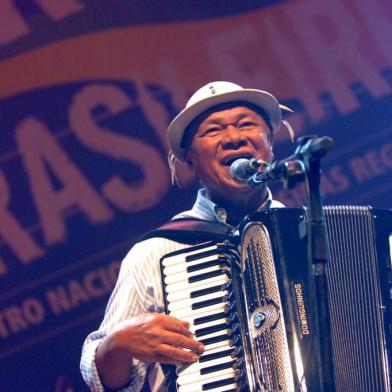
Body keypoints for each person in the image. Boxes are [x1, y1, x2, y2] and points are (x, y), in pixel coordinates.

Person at [80, 81, 293, 391]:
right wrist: (117, 344)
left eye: (246, 124)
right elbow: (102, 381)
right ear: (189, 159)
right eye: (214, 130)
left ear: (270, 144)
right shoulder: (158, 251)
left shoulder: (309, 232)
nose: (233, 138)